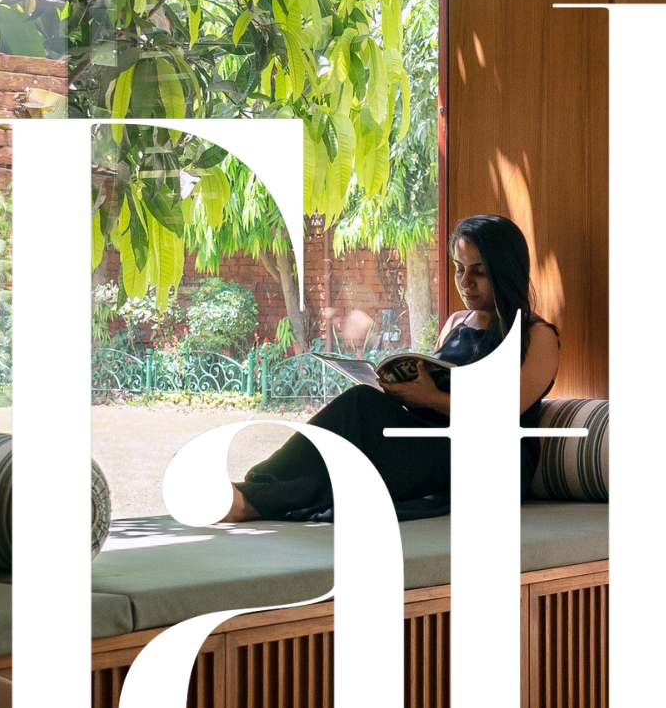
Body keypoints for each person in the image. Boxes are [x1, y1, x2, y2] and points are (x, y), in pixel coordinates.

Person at [218, 214, 561, 522]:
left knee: (361, 407)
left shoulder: (537, 335)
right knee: (364, 401)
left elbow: (502, 414)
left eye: (480, 271)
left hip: (487, 459)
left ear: (506, 270)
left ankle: (252, 498)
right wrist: (401, 391)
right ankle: (257, 491)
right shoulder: (457, 322)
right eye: (460, 268)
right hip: (431, 442)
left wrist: (431, 398)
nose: (465, 281)